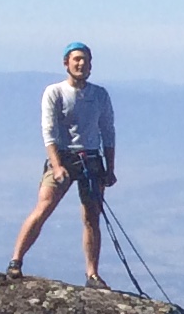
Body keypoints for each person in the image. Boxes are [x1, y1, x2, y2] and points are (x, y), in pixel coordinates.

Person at [11, 43, 119, 283]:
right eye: (77, 59)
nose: (81, 64)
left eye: (86, 60)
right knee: (44, 207)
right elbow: (48, 131)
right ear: (66, 63)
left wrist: (110, 168)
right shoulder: (55, 92)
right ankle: (16, 261)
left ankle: (92, 273)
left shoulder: (99, 94)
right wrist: (56, 165)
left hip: (91, 159)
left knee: (92, 217)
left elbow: (107, 131)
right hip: (62, 157)